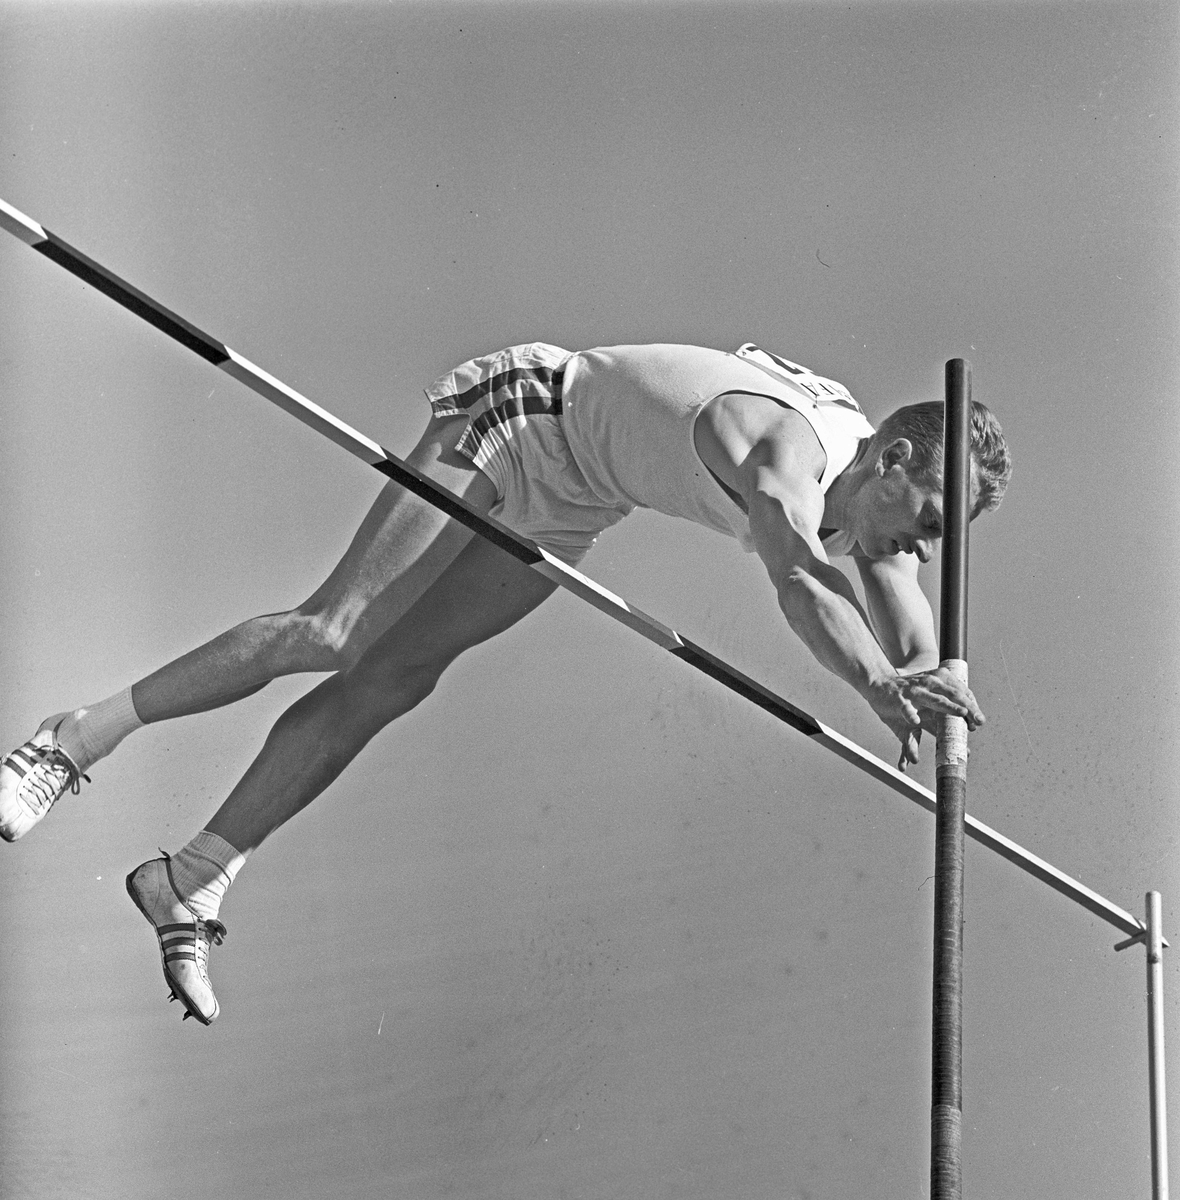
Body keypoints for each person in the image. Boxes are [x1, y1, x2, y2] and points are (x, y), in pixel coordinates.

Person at [0, 341, 1010, 1024]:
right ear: (895, 458)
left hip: (579, 498)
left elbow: (914, 636)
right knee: (337, 629)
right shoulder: (790, 451)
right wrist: (880, 686)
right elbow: (800, 580)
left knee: (394, 680)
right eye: (926, 520)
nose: (916, 548)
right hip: (526, 418)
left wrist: (933, 689)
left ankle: (192, 876)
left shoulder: (876, 503)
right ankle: (70, 740)